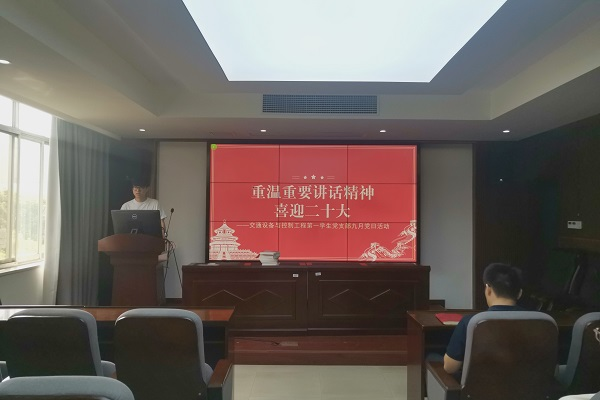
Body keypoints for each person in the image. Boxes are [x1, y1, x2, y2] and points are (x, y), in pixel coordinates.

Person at [443, 262, 525, 375]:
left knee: (431, 357)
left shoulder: (470, 322)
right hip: (527, 385)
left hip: (478, 386)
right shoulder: (541, 321)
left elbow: (450, 368)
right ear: (519, 293)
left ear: (488, 290)